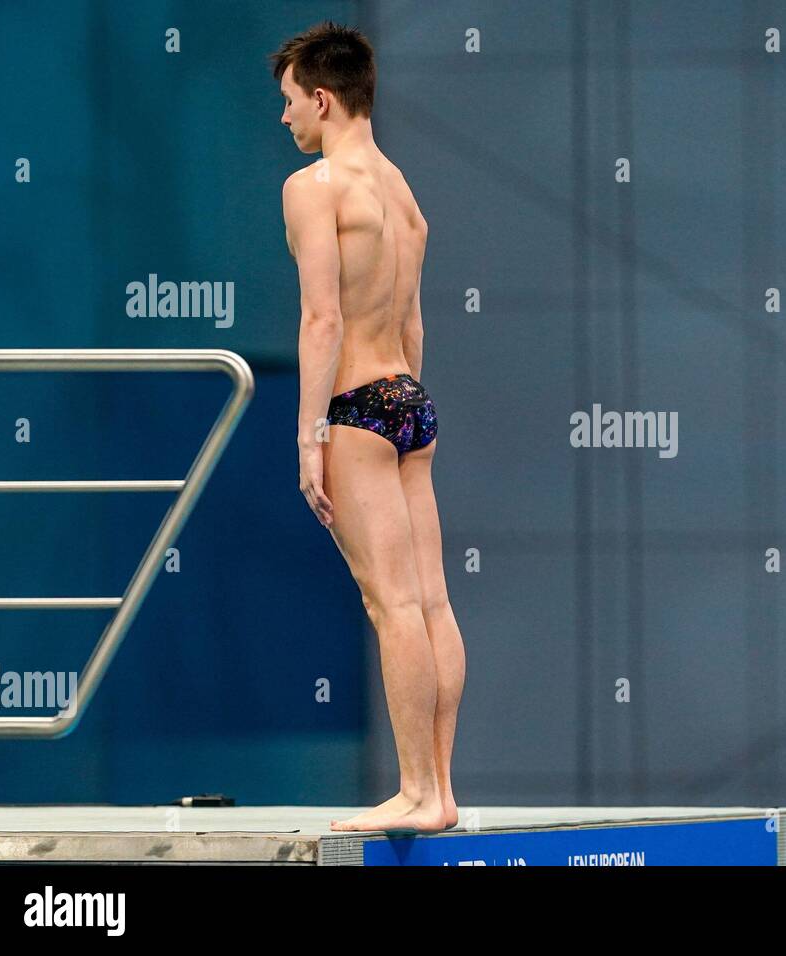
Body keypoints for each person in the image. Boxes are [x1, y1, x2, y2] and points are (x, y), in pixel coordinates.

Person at [273, 21, 463, 833]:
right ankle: (442, 791)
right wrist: (411, 409)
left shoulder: (314, 187)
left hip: (355, 407)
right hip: (409, 401)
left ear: (322, 97)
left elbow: (322, 318)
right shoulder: (401, 190)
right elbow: (413, 324)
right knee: (432, 605)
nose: (284, 119)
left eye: (288, 102)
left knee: (390, 607)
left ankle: (418, 792)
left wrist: (310, 434)